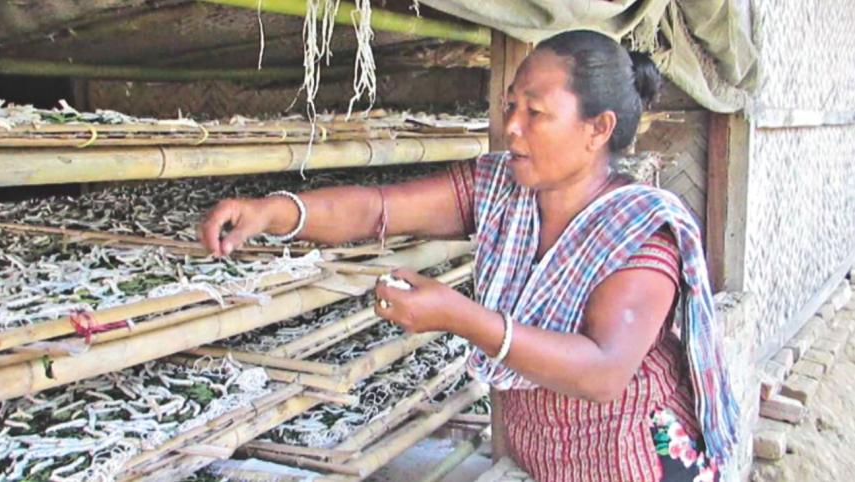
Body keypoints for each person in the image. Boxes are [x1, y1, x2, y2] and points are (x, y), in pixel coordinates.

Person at [199, 30, 738, 482]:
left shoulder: (639, 231)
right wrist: (272, 213)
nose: (512, 126)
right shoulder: (500, 188)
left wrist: (461, 318)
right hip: (545, 462)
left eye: (536, 112)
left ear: (598, 129)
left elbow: (601, 373)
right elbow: (377, 208)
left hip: (634, 463)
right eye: (510, 106)